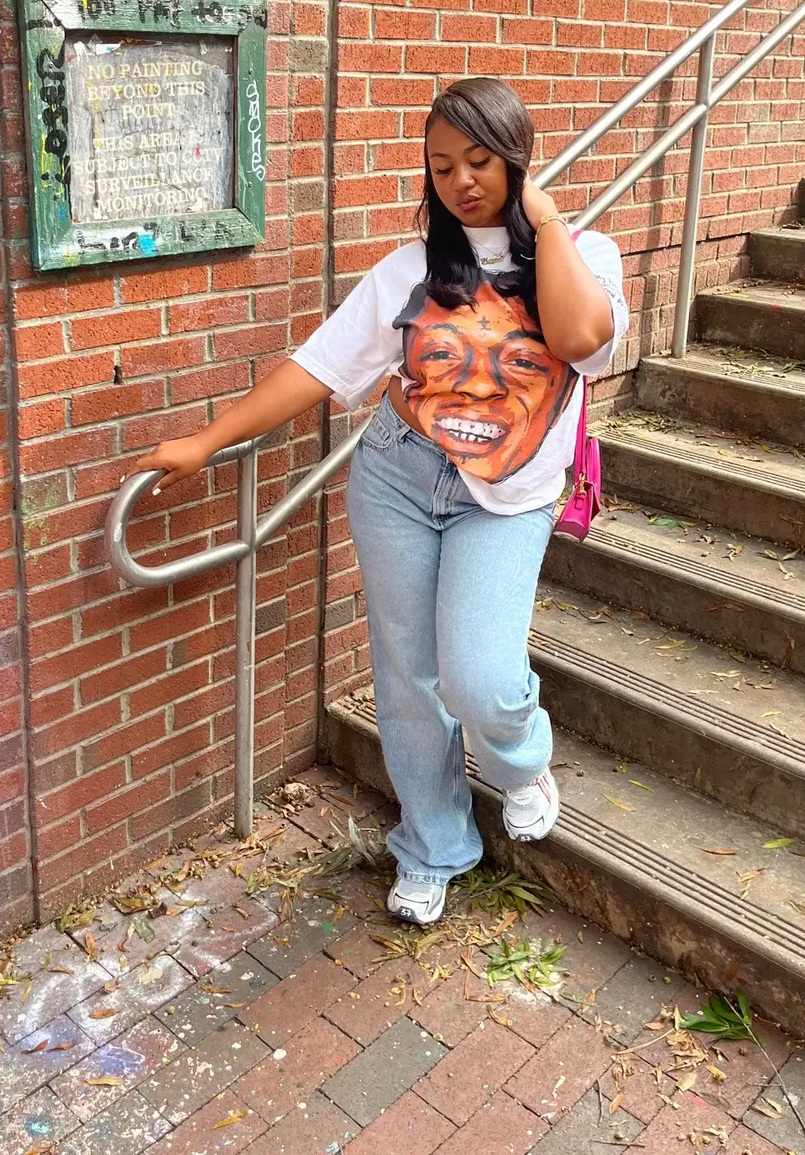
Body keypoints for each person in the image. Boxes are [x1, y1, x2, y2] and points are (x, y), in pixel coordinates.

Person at [135, 77, 628, 925]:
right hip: (399, 477)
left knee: (479, 676)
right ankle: (434, 845)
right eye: (440, 167)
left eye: (479, 160)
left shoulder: (586, 254)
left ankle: (521, 764)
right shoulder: (410, 272)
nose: (461, 181)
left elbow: (581, 340)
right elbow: (321, 368)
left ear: (515, 156)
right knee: (406, 677)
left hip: (504, 501)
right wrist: (208, 442)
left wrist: (544, 222)